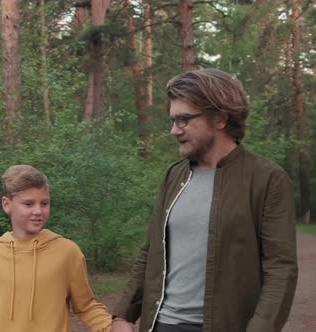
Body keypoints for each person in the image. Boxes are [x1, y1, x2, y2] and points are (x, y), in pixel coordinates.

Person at [111, 69, 298, 332]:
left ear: (220, 118)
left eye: (183, 119)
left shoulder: (267, 179)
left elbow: (281, 269)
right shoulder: (173, 175)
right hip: (161, 325)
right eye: (173, 120)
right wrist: (123, 314)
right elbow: (151, 250)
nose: (174, 130)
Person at [0, 165, 112, 332]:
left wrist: (111, 327)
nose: (38, 211)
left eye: (44, 203)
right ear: (7, 204)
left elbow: (86, 306)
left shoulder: (67, 252)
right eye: (28, 204)